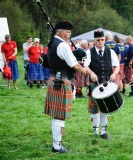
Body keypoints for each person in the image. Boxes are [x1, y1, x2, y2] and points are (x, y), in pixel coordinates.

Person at [44, 20, 87, 153]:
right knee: (60, 116)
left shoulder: (52, 43)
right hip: (61, 82)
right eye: (68, 32)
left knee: (56, 115)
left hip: (54, 79)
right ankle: (57, 146)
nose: (69, 35)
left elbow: (63, 60)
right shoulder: (62, 45)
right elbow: (74, 65)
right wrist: (85, 70)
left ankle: (56, 142)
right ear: (62, 32)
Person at [84, 30, 119, 139]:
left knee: (105, 107)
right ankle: (95, 131)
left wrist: (114, 74)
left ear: (105, 40)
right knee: (95, 108)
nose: (100, 42)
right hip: (95, 83)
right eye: (98, 40)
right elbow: (85, 65)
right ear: (94, 41)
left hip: (106, 82)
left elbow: (117, 66)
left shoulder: (110, 52)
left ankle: (103, 131)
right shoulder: (89, 52)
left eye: (102, 40)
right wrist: (91, 73)